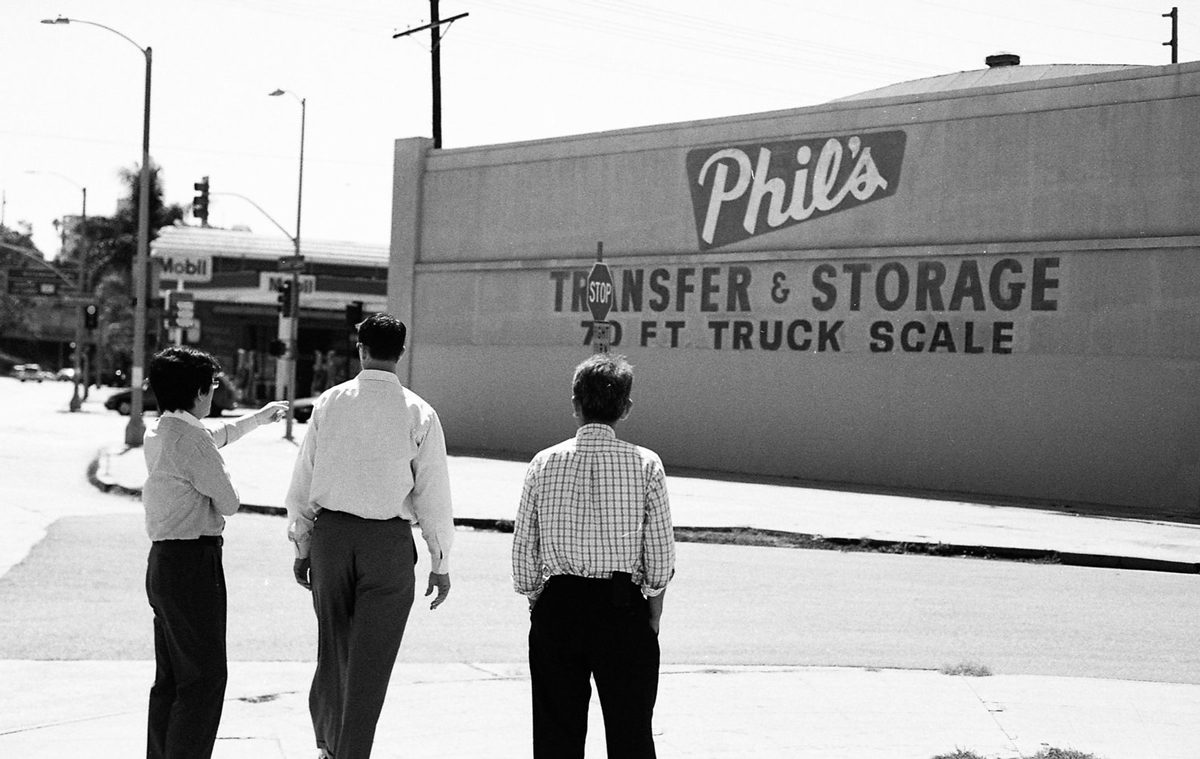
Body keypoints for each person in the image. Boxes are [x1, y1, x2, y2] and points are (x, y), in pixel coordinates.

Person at [285, 313, 455, 759]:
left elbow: (304, 480)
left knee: (332, 651)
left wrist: (303, 544)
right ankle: (351, 752)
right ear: (401, 353)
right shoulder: (420, 412)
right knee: (371, 663)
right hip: (388, 543)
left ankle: (327, 745)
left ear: (360, 349)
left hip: (332, 538)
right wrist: (440, 561)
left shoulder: (330, 402)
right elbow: (432, 493)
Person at [512, 353, 676, 759]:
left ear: (574, 404)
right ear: (625, 407)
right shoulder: (646, 465)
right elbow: (659, 555)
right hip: (622, 610)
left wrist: (539, 600)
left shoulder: (543, 463)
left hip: (559, 607)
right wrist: (651, 611)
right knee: (631, 731)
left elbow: (522, 553)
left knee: (555, 736)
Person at [142, 346, 287, 759]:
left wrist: (259, 418)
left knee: (170, 679)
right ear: (199, 392)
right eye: (211, 388)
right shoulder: (191, 441)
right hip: (193, 564)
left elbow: (217, 436)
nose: (213, 396)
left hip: (164, 564)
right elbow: (229, 501)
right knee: (204, 680)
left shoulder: (161, 431)